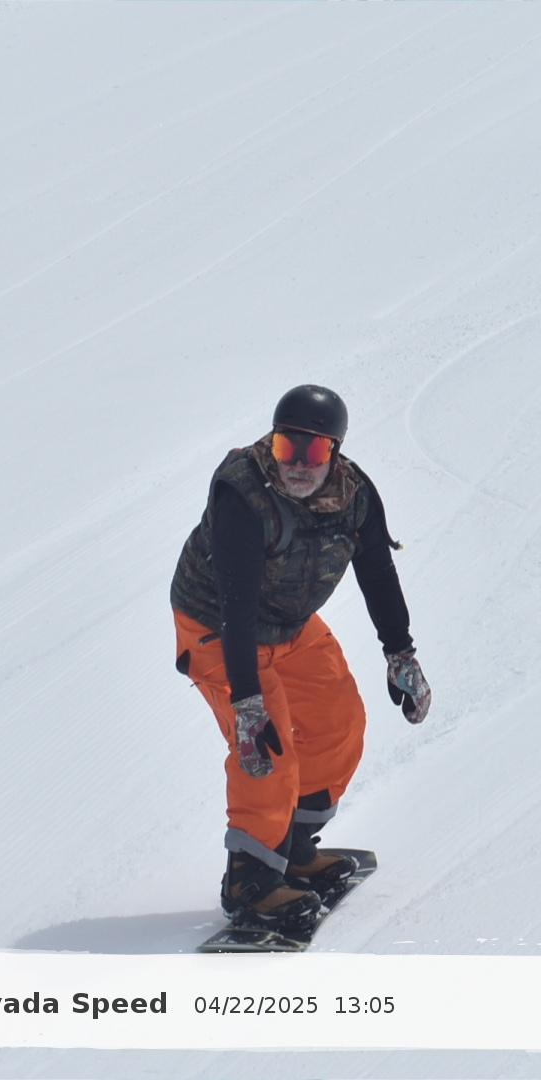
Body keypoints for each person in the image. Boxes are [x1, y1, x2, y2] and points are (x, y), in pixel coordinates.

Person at [170, 385, 431, 932]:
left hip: (288, 621)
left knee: (339, 721)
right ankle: (250, 880)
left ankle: (288, 847)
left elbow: (377, 573)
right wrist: (247, 703)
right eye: (288, 447)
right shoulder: (244, 496)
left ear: (335, 451)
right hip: (219, 625)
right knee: (266, 748)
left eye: (314, 451)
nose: (299, 464)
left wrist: (400, 653)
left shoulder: (355, 496)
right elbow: (236, 607)